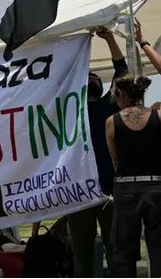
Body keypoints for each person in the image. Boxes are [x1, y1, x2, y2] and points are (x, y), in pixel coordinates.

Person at [68, 27, 127, 277]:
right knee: (81, 252)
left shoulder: (108, 106)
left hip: (108, 189)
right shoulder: (70, 110)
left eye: (96, 79)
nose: (92, 80)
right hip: (78, 191)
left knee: (115, 250)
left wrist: (110, 39)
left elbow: (122, 73)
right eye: (88, 78)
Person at [105, 74, 161, 277]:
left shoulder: (112, 122)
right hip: (156, 187)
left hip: (126, 188)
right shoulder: (158, 116)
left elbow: (115, 160)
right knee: (159, 249)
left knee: (124, 252)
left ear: (120, 94)